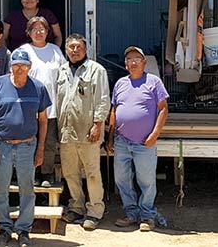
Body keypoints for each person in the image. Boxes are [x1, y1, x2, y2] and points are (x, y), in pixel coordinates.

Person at [0, 49, 50, 247]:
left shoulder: (38, 87)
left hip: (27, 146)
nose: (19, 69)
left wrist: (40, 149)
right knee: (0, 189)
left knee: (27, 189)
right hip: (2, 146)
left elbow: (44, 121)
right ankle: (4, 228)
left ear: (29, 67)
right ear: (10, 66)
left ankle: (23, 230)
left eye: (23, 65)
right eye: (16, 65)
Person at [107, 46, 169, 232]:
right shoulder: (120, 83)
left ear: (144, 62)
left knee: (147, 181)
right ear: (125, 64)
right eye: (129, 59)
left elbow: (163, 108)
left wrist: (155, 134)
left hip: (144, 142)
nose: (133, 62)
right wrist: (110, 137)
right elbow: (114, 111)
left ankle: (147, 216)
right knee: (122, 180)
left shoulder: (153, 82)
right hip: (122, 141)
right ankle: (131, 213)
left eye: (137, 59)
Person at [55, 34, 110, 230]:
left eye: (79, 47)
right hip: (66, 131)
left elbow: (103, 99)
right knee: (70, 172)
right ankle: (76, 207)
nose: (75, 50)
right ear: (66, 50)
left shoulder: (96, 71)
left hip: (88, 131)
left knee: (92, 172)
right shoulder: (61, 71)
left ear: (85, 50)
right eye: (71, 47)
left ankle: (95, 211)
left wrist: (98, 124)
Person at [18, 16, 66, 187]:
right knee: (30, 140)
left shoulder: (55, 51)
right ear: (29, 32)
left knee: (49, 141)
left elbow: (64, 76)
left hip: (51, 106)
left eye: (42, 29)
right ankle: (32, 173)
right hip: (28, 107)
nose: (38, 32)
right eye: (34, 29)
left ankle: (47, 173)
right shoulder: (23, 51)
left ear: (48, 32)